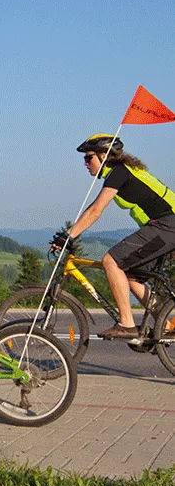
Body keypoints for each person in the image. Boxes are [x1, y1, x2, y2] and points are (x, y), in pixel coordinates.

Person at [51, 133, 175, 339]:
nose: (85, 163)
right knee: (132, 276)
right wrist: (70, 234)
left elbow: (96, 210)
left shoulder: (119, 172)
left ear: (104, 155)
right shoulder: (121, 171)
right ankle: (167, 325)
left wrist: (69, 235)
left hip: (168, 225)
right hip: (165, 226)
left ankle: (126, 324)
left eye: (88, 157)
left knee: (111, 261)